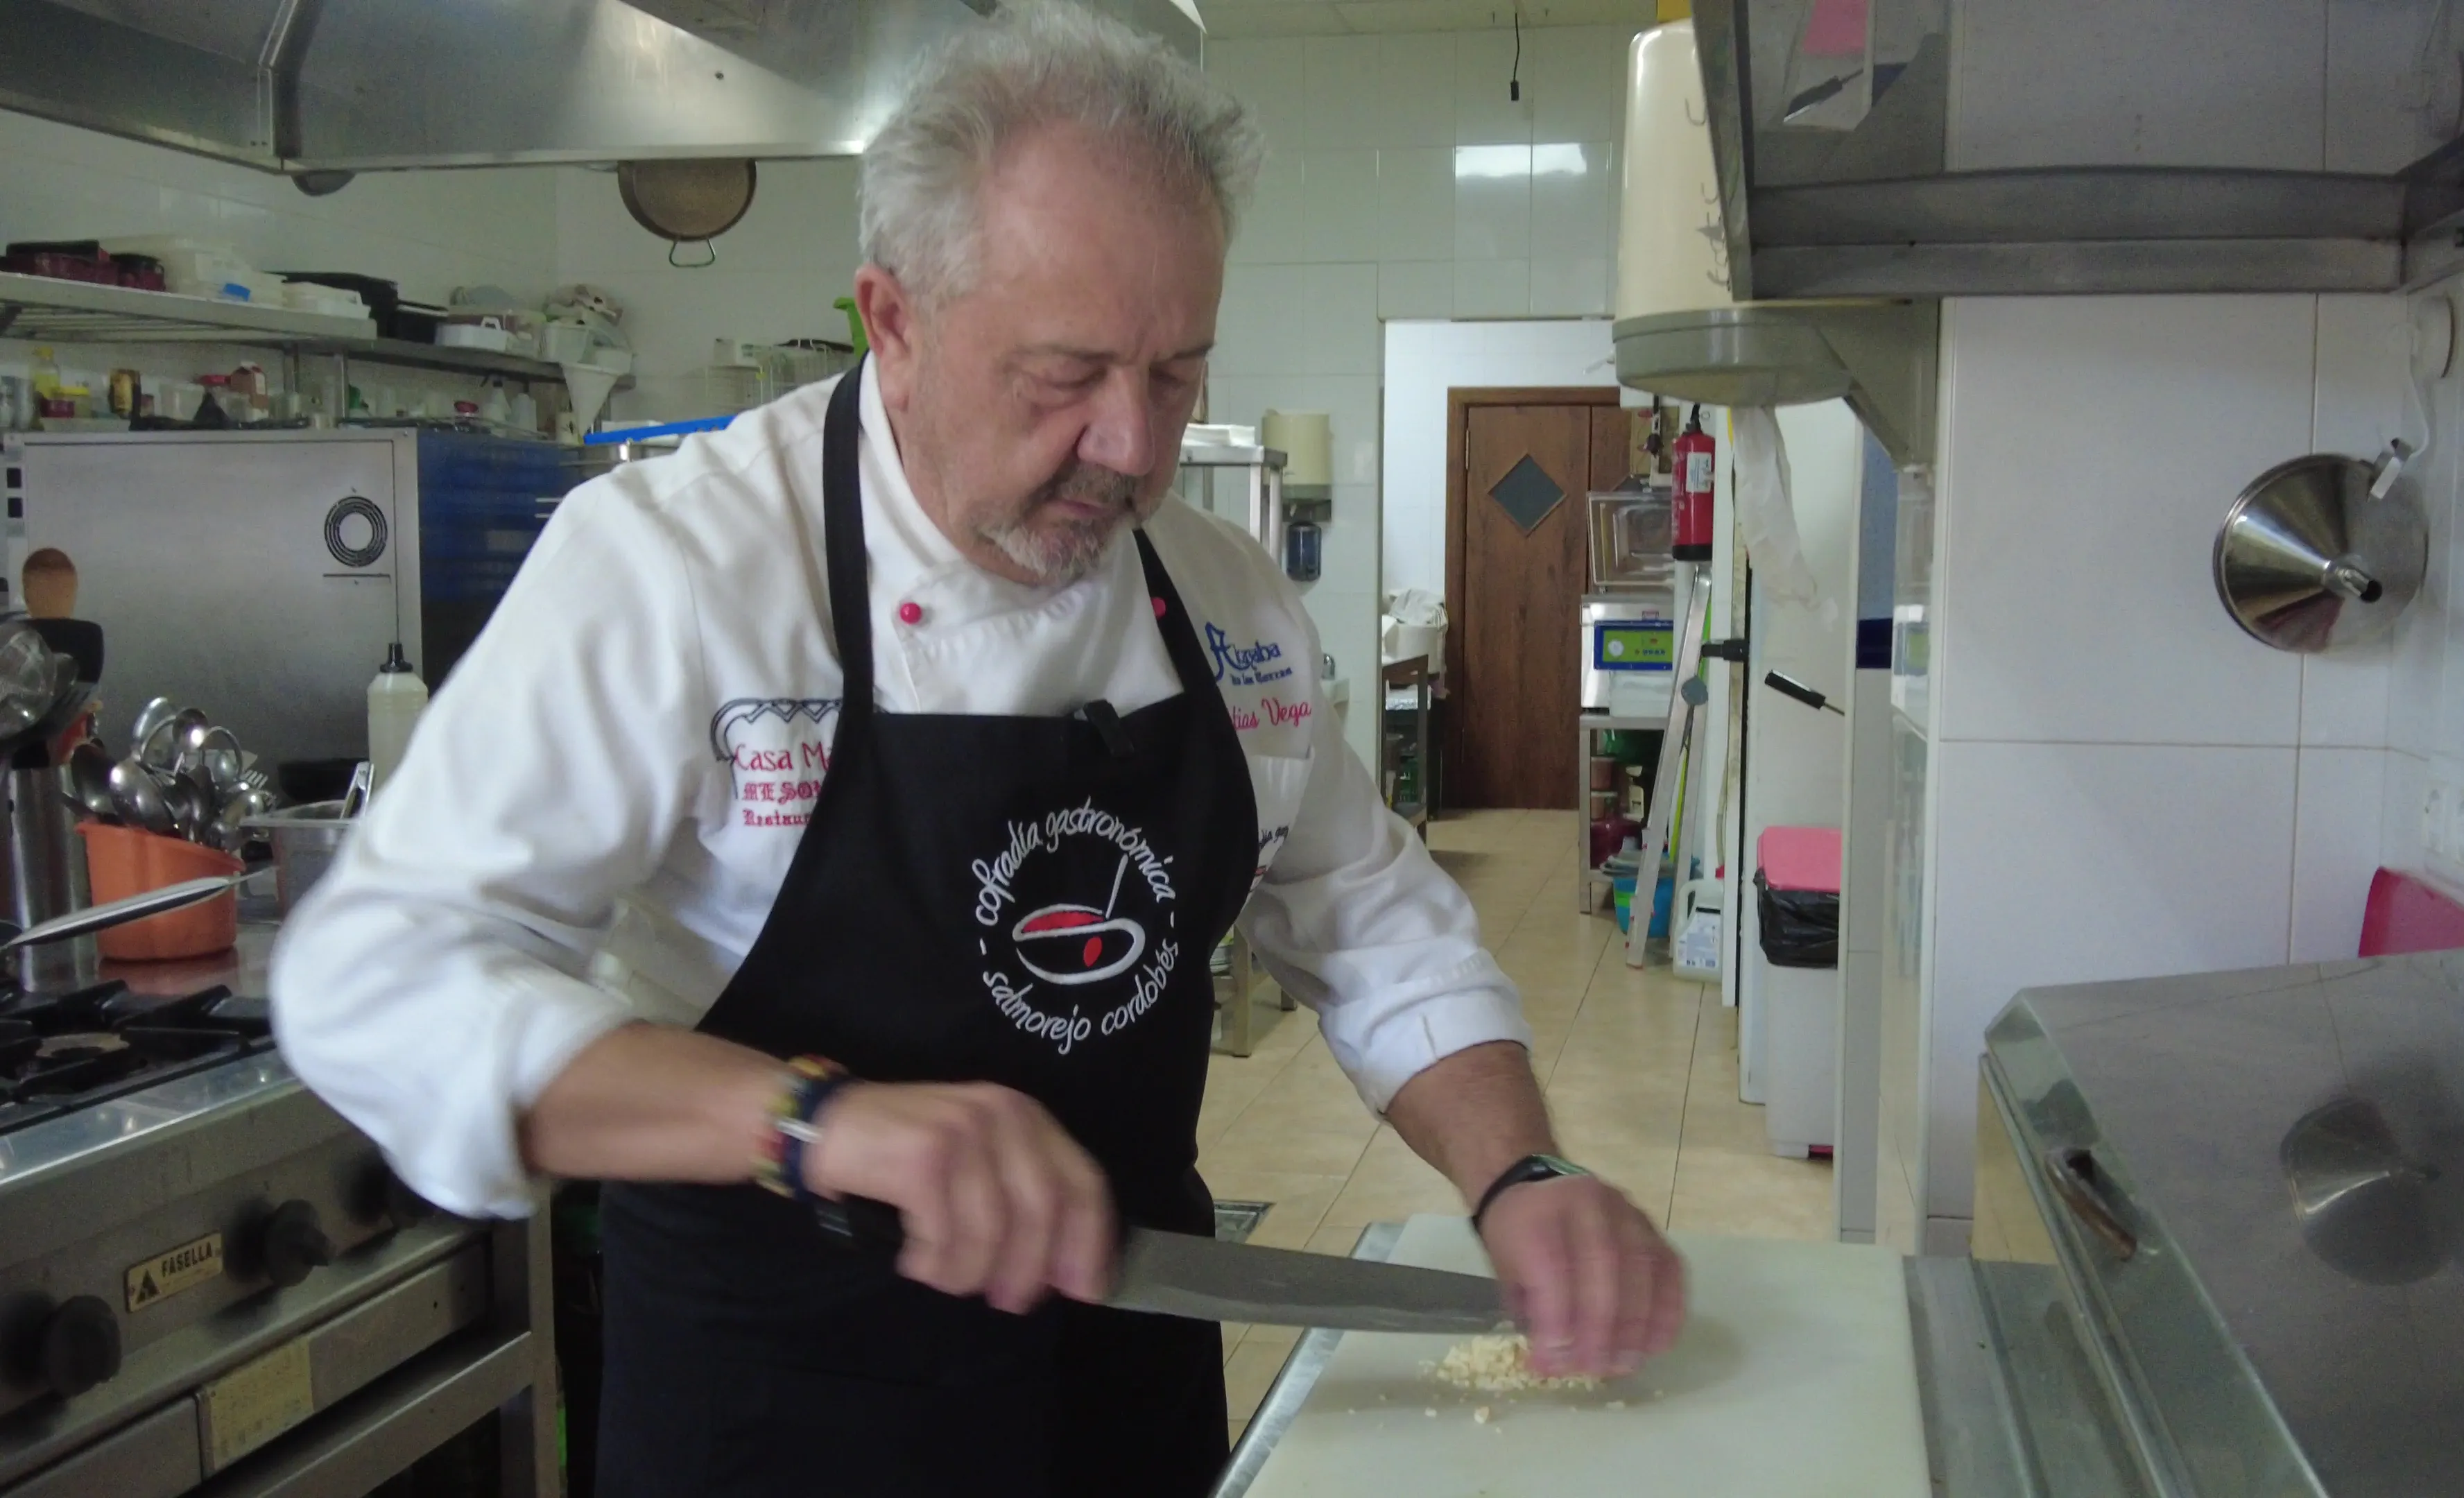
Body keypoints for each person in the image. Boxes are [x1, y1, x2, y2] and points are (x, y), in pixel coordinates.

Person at [270, 6, 1682, 1493]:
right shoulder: (680, 570)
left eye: (1177, 371)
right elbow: (380, 976)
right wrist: (814, 1120)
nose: (1133, 448)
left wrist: (1518, 1168)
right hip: (781, 1412)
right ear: (894, 318)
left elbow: (1369, 918)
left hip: (1126, 1389)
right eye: (1063, 376)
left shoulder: (1220, 599)